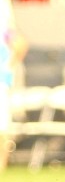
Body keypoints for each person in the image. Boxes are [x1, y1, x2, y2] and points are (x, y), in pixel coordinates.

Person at [0, 14, 27, 171]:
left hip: (1, 82)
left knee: (3, 128)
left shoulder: (4, 28)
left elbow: (21, 44)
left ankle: (1, 165)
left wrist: (9, 66)